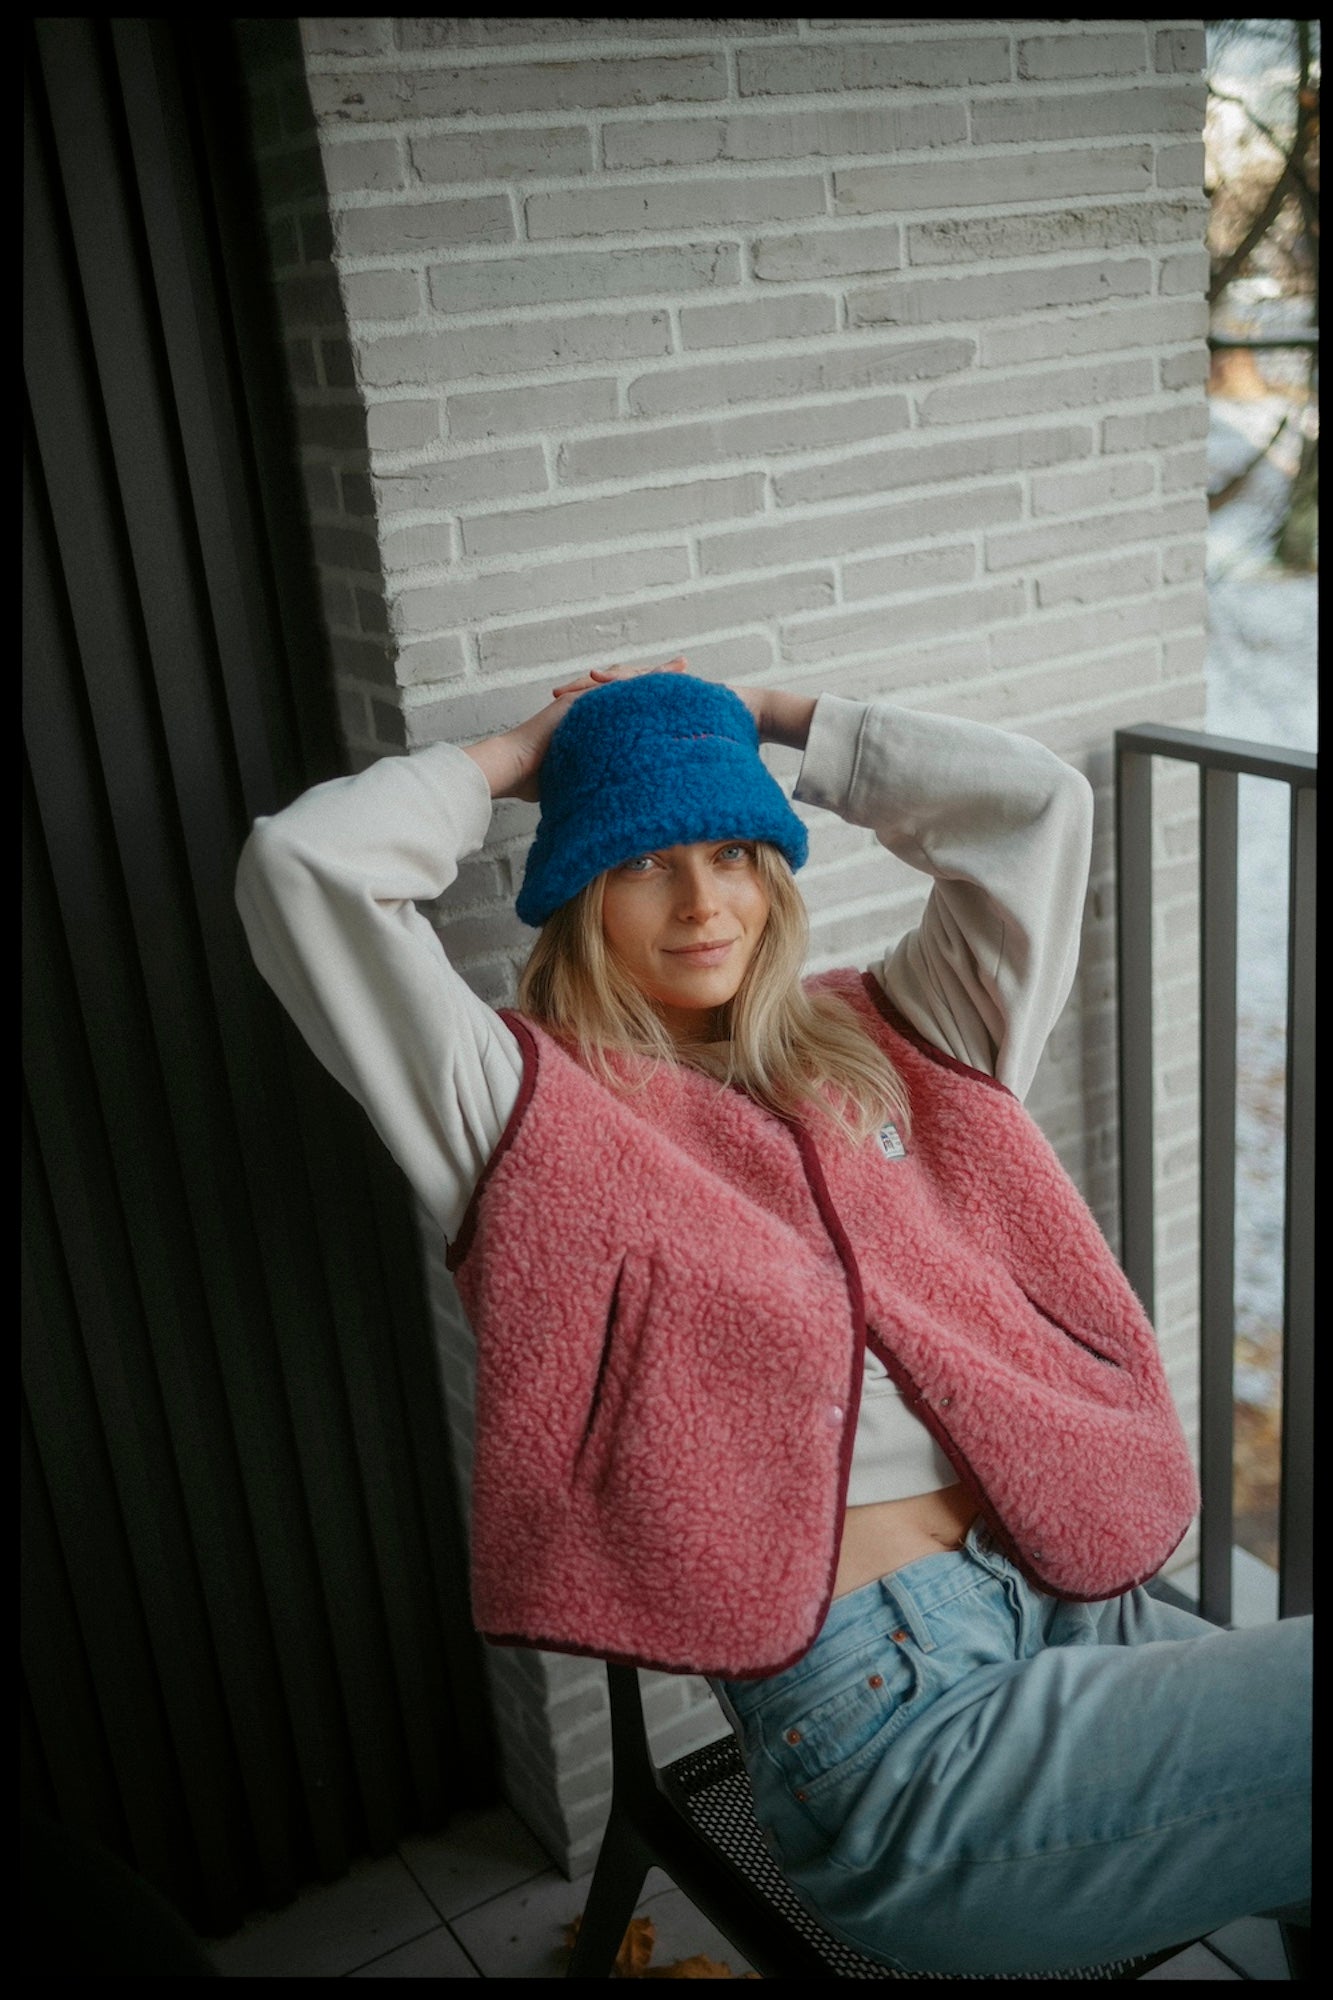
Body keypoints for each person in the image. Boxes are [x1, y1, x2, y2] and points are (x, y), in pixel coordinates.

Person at [235, 660, 1310, 1977]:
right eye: (646, 862)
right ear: (577, 887)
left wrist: (768, 717)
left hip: (1080, 1600)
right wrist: (527, 750)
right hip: (897, 1735)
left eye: (736, 852)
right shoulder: (516, 1105)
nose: (704, 902)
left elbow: (1029, 807)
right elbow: (303, 868)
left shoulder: (894, 1027)